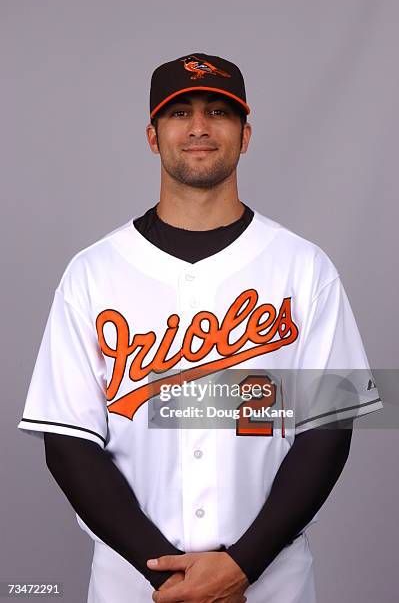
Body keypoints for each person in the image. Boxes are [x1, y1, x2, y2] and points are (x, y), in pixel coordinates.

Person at [17, 52, 383, 603]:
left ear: (246, 133)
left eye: (218, 111)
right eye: (179, 112)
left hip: (270, 580)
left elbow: (327, 429)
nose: (199, 128)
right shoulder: (92, 272)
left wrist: (243, 565)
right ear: (152, 134)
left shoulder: (304, 267)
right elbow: (68, 443)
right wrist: (166, 574)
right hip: (134, 583)